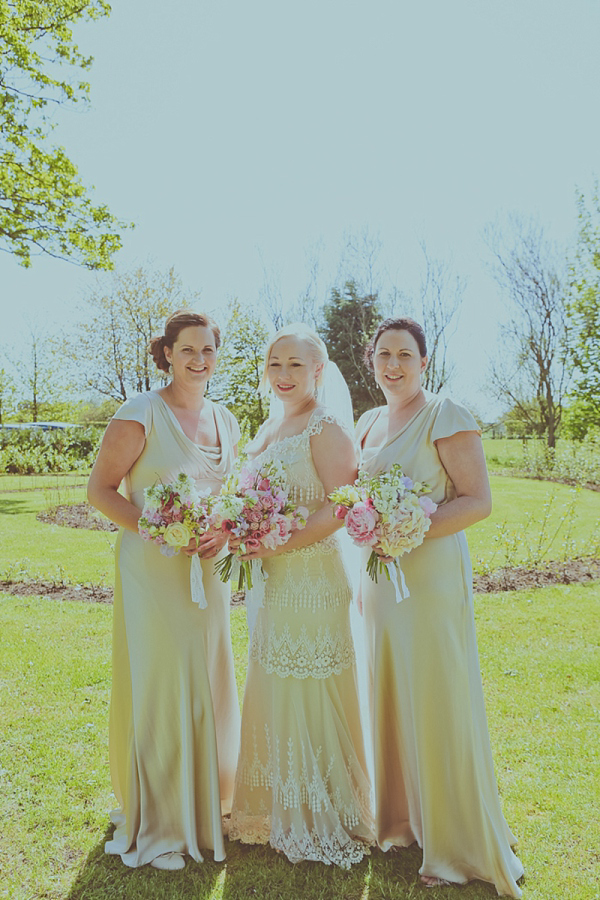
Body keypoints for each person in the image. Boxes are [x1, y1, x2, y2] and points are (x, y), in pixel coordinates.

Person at [355, 317, 524, 896]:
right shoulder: (368, 422)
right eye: (384, 355)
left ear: (424, 362)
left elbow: (478, 501)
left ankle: (454, 842)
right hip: (381, 582)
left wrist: (409, 527)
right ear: (371, 361)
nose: (394, 365)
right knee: (391, 691)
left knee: (436, 694)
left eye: (405, 355)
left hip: (427, 580)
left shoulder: (445, 413)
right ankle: (403, 822)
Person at [87, 309, 241, 870]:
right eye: (188, 350)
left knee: (207, 674)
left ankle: (206, 805)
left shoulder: (226, 420)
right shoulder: (141, 413)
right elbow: (100, 491)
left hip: (208, 570)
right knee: (163, 681)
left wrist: (223, 530)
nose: (199, 360)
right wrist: (160, 529)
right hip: (154, 570)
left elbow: (227, 497)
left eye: (208, 350)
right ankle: (162, 821)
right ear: (167, 354)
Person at [228, 324, 374, 867]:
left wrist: (276, 541)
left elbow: (342, 505)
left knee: (308, 681)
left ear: (318, 370)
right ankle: (270, 807)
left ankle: (323, 808)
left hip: (312, 580)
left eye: (295, 364)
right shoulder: (270, 427)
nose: (283, 375)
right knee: (273, 679)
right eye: (274, 364)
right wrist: (247, 530)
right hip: (273, 579)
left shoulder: (325, 425)